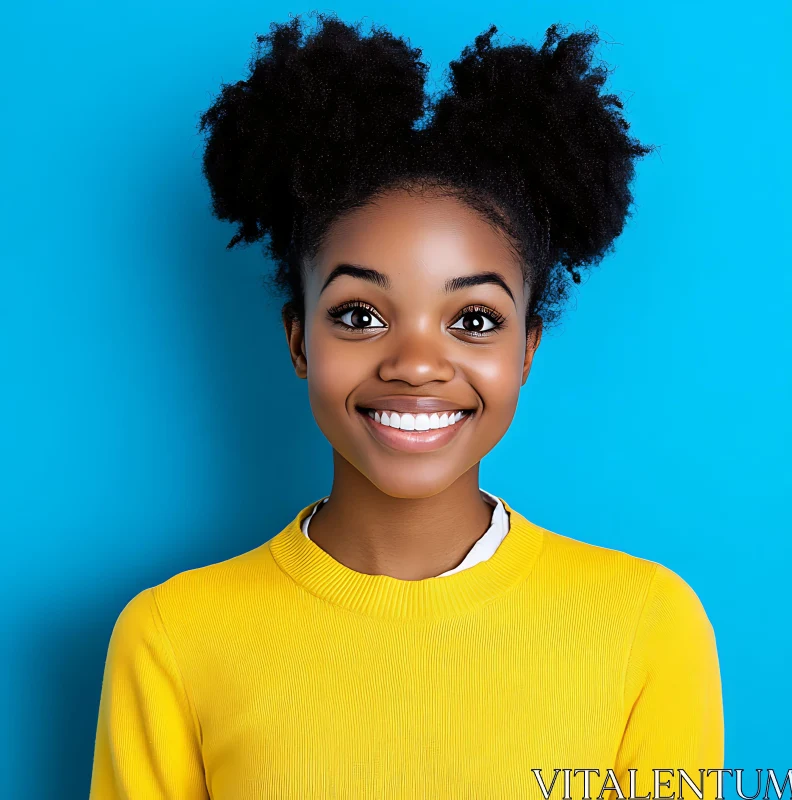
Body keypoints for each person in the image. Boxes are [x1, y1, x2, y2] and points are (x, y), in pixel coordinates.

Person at [89, 13, 724, 798]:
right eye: (359, 314)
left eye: (474, 321)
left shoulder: (646, 624)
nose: (418, 364)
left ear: (526, 349)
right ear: (299, 341)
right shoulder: (171, 637)